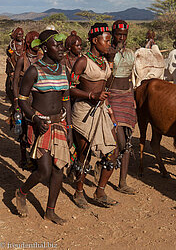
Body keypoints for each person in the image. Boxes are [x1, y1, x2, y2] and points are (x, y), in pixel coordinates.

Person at [15, 30, 73, 225]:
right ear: (45, 48)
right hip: (40, 124)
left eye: (62, 44)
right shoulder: (34, 70)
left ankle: (50, 211)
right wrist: (34, 119)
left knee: (59, 169)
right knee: (45, 171)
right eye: (57, 45)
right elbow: (22, 101)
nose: (62, 49)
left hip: (60, 124)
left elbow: (66, 100)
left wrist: (70, 127)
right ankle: (21, 192)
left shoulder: (64, 70)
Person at [70, 23, 118, 209]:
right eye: (106, 41)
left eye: (109, 41)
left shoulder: (105, 62)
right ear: (95, 40)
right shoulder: (82, 61)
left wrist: (110, 112)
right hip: (83, 112)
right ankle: (79, 192)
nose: (109, 44)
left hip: (101, 111)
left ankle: (100, 191)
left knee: (112, 152)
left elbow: (106, 86)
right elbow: (70, 89)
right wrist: (91, 96)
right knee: (85, 153)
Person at [106, 20, 137, 194]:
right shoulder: (108, 53)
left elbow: (130, 79)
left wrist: (132, 99)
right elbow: (105, 78)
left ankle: (122, 182)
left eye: (125, 35)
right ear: (113, 34)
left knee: (128, 141)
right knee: (119, 141)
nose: (122, 38)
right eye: (119, 34)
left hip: (126, 98)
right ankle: (103, 173)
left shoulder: (131, 53)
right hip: (112, 97)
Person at [13, 31, 43, 170]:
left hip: (37, 98)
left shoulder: (42, 58)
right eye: (35, 41)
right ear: (29, 42)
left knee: (36, 128)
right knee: (23, 129)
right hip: (24, 98)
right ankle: (23, 157)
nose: (38, 44)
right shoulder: (22, 58)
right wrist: (16, 100)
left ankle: (35, 157)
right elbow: (15, 82)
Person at [5, 27, 24, 108]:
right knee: (9, 89)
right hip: (13, 69)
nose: (21, 36)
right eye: (19, 34)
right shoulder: (11, 45)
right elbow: (10, 55)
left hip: (23, 70)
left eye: (22, 34)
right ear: (15, 35)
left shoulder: (26, 43)